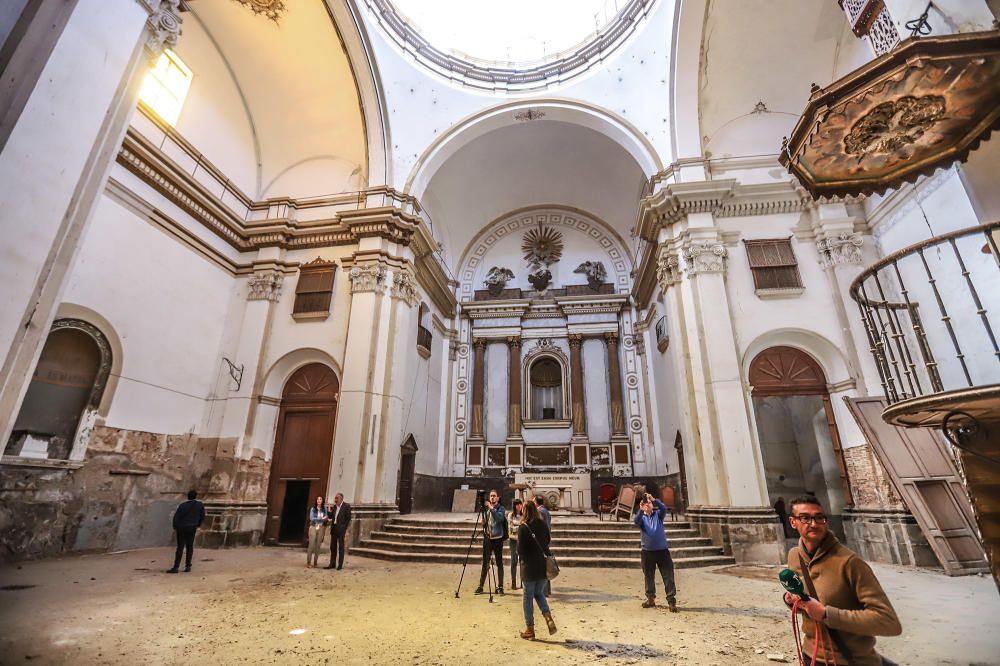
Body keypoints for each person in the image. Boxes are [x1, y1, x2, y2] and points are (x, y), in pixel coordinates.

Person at [783, 496, 902, 665]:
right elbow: (807, 602)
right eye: (805, 518)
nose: (814, 524)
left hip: (850, 660)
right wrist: (791, 600)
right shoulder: (794, 556)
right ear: (793, 522)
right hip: (812, 654)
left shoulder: (850, 562)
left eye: (819, 517)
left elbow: (889, 622)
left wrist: (826, 614)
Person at [517, 501, 556, 640]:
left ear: (524, 511)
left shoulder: (523, 527)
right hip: (542, 566)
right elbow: (548, 540)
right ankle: (548, 617)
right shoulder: (543, 525)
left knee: (528, 598)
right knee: (539, 593)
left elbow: (520, 550)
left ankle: (530, 629)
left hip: (528, 568)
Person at [633, 491, 677, 611]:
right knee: (648, 575)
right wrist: (641, 509)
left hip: (662, 551)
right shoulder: (641, 518)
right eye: (645, 504)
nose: (648, 505)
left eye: (649, 504)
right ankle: (650, 598)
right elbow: (636, 521)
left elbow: (663, 508)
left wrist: (654, 499)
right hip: (647, 552)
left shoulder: (658, 515)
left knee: (668, 575)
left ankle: (671, 600)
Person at [474, 489, 506, 595]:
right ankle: (481, 586)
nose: (492, 497)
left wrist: (491, 508)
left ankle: (500, 586)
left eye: (494, 496)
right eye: (491, 496)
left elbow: (499, 519)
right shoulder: (486, 509)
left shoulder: (501, 508)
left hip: (498, 539)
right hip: (488, 539)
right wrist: (483, 523)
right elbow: (486, 523)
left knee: (499, 563)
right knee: (485, 563)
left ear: (498, 498)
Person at [167, 489, 205, 574]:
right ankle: (188, 566)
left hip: (182, 528)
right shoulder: (199, 505)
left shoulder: (182, 505)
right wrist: (198, 525)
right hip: (192, 527)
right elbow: (202, 516)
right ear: (196, 496)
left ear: (188, 496)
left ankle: (176, 567)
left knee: (180, 547)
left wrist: (175, 526)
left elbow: (176, 517)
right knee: (190, 547)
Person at [325, 492, 352, 570]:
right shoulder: (335, 507)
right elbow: (331, 516)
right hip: (334, 529)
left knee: (341, 547)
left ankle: (340, 564)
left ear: (341, 498)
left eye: (337, 498)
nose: (335, 500)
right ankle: (332, 563)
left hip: (341, 529)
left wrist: (344, 528)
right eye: (335, 498)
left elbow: (348, 518)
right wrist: (329, 511)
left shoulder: (346, 506)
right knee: (332, 547)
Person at [533, 495, 552, 596]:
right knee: (546, 566)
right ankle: (547, 590)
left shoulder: (539, 512)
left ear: (536, 502)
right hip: (546, 540)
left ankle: (544, 591)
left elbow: (539, 526)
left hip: (542, 542)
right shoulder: (546, 511)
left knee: (543, 567)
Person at [306, 495, 328, 568]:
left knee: (318, 545)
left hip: (321, 528)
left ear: (322, 501)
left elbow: (326, 518)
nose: (319, 500)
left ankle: (315, 562)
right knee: (311, 545)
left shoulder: (324, 509)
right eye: (317, 499)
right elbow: (312, 518)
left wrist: (321, 519)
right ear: (316, 501)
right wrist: (321, 518)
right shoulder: (313, 509)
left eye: (320, 499)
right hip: (313, 527)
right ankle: (308, 562)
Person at [508, 499, 523, 590]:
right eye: (516, 505)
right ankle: (513, 582)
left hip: (522, 541)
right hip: (513, 540)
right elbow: (511, 528)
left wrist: (516, 525)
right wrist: (520, 525)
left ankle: (522, 582)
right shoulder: (511, 515)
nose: (518, 506)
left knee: (522, 562)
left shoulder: (524, 515)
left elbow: (524, 526)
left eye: (520, 504)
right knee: (514, 561)